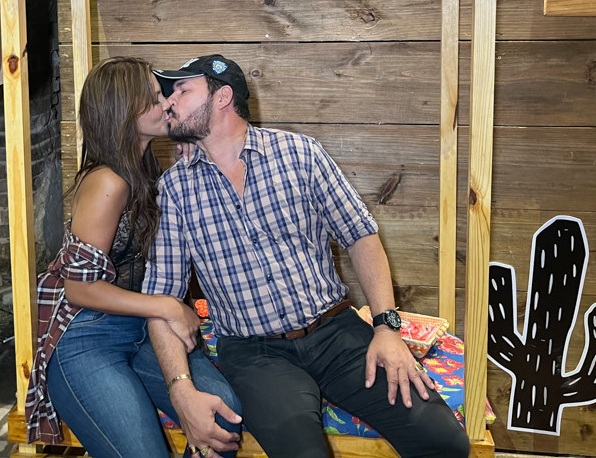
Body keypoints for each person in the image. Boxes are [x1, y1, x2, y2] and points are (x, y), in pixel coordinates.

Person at [144, 54, 472, 458]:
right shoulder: (174, 189)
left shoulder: (300, 154)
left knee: (444, 440)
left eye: (182, 89)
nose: (169, 101)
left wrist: (387, 330)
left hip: (334, 331)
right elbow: (160, 298)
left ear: (222, 96)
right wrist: (180, 390)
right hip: (253, 353)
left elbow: (361, 236)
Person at [24, 57, 242, 458]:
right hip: (87, 335)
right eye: (156, 97)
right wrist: (168, 307)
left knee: (223, 414)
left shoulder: (148, 170)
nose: (168, 103)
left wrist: (192, 148)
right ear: (124, 111)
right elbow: (79, 290)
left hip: (139, 329)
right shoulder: (107, 181)